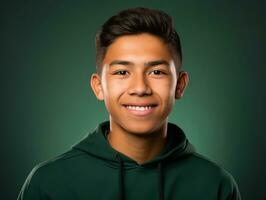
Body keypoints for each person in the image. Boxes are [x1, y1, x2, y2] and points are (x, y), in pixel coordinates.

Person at [18, 7, 241, 200]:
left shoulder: (216, 185)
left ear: (179, 85)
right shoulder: (48, 184)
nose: (140, 88)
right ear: (99, 87)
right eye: (122, 72)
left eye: (156, 71)